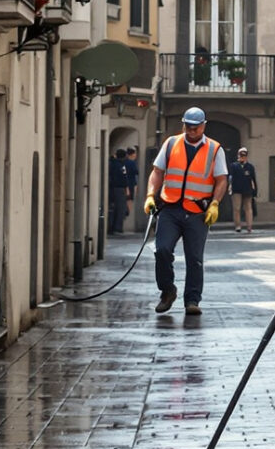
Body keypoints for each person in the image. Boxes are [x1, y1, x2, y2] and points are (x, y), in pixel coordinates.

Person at [145, 108, 229, 316]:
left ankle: (192, 300)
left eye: (196, 127)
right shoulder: (171, 144)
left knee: (194, 258)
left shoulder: (215, 149)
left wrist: (215, 203)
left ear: (203, 126)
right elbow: (157, 171)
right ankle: (167, 291)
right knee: (161, 250)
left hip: (197, 212)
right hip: (170, 208)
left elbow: (221, 180)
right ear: (183, 125)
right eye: (188, 126)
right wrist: (150, 195)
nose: (192, 131)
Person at [107, 146, 138, 234]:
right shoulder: (121, 165)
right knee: (121, 209)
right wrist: (127, 188)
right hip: (120, 188)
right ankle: (117, 228)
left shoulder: (111, 163)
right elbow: (124, 178)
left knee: (113, 208)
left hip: (112, 188)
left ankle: (111, 227)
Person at [230, 148, 261, 232]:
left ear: (246, 156)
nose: (242, 157)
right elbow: (230, 178)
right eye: (240, 155)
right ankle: (238, 226)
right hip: (236, 189)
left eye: (243, 156)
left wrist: (255, 191)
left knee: (248, 208)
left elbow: (253, 179)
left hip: (247, 190)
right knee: (237, 208)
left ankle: (249, 226)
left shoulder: (250, 167)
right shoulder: (234, 166)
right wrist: (230, 188)